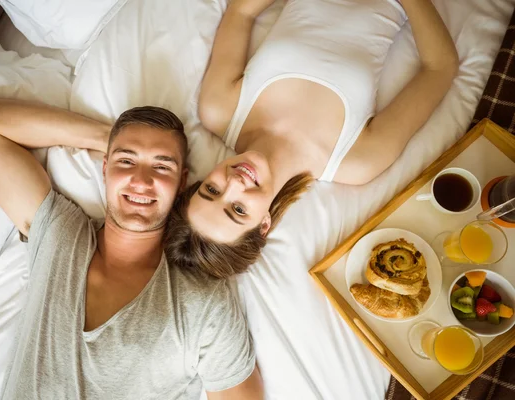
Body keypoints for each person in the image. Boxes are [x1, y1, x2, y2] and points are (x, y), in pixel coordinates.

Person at [0, 98, 263, 399]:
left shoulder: (203, 303)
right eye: (126, 162)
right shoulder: (60, 234)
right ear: (105, 168)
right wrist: (106, 136)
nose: (142, 181)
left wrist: (120, 148)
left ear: (182, 182)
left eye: (162, 166)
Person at [165, 0, 459, 279]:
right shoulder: (355, 162)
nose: (234, 184)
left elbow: (242, 12)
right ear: (264, 224)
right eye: (238, 210)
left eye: (212, 189)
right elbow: (440, 67)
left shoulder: (219, 109)